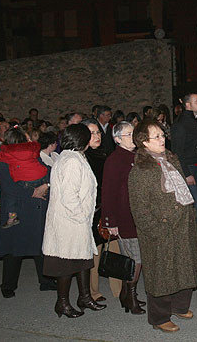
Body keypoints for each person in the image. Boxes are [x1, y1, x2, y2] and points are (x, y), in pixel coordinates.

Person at [129, 119, 197, 333]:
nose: (162, 139)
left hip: (182, 224)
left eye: (163, 135)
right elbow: (139, 209)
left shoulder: (172, 159)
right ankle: (159, 317)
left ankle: (180, 306)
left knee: (185, 266)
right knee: (161, 273)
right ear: (144, 142)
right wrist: (156, 230)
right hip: (161, 228)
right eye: (157, 137)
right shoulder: (140, 170)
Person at [42, 124, 107, 318]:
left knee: (83, 260)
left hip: (76, 221)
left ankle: (85, 297)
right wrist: (82, 216)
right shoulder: (71, 160)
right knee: (67, 264)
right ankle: (62, 303)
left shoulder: (74, 157)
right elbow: (69, 196)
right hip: (70, 222)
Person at [0, 126, 53, 298]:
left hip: (19, 209)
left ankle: (10, 286)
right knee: (27, 247)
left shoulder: (5, 159)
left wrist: (43, 187)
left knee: (18, 249)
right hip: (30, 206)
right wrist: (38, 190)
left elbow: (7, 188)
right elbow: (9, 187)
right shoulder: (28, 157)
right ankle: (40, 281)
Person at [101, 121, 146, 315]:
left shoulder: (136, 156)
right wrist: (110, 222)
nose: (133, 136)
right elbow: (108, 193)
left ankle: (128, 295)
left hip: (138, 216)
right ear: (118, 139)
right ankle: (130, 296)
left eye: (133, 133)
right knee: (135, 259)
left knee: (136, 258)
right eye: (129, 134)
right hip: (123, 217)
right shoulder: (114, 160)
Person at [170, 93, 197, 250]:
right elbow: (177, 152)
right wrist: (186, 173)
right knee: (194, 204)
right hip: (190, 167)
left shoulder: (193, 120)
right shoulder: (180, 124)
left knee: (196, 203)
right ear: (188, 105)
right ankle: (196, 240)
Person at [79, 118, 111, 302]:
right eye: (92, 133)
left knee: (104, 246)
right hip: (90, 209)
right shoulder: (82, 158)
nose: (97, 136)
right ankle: (91, 290)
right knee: (92, 250)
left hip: (103, 207)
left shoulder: (103, 153)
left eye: (98, 132)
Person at [0, 127, 49, 229]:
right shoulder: (32, 153)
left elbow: (7, 187)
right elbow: (46, 170)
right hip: (36, 202)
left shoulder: (5, 157)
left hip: (20, 205)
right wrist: (45, 185)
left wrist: (34, 191)